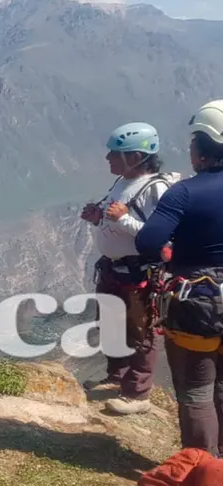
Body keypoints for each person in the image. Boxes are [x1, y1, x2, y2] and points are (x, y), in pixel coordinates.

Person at [136, 99, 223, 455]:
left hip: (197, 303)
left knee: (196, 391)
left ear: (201, 151)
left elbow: (148, 241)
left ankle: (203, 475)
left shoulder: (184, 193)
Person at [79, 122, 179, 415]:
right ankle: (117, 377)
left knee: (141, 330)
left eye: (115, 153)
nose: (109, 158)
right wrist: (100, 218)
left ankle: (137, 393)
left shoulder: (156, 188)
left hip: (139, 273)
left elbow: (161, 236)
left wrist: (123, 220)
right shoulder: (122, 182)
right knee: (111, 326)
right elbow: (120, 221)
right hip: (113, 269)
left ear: (135, 157)